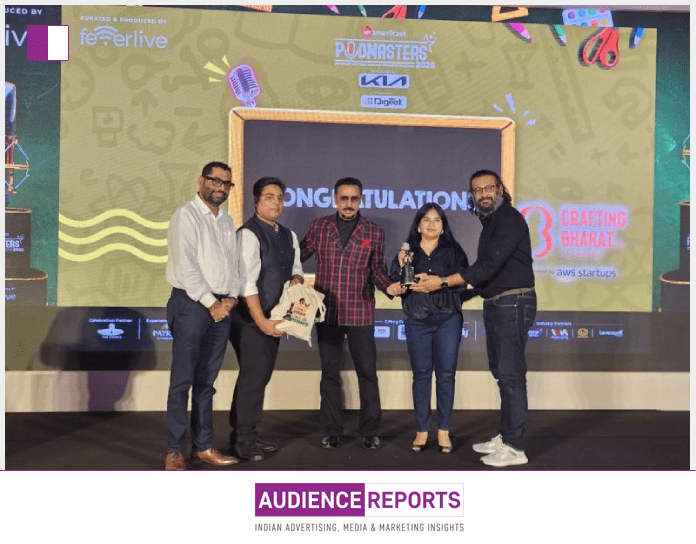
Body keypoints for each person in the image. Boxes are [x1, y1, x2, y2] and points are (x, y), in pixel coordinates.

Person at [413, 169, 536, 467]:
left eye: (488, 188)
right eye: (477, 190)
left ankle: (515, 447)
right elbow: (487, 275)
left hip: (512, 303)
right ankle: (506, 436)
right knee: (502, 372)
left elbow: (486, 267)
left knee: (511, 375)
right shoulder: (492, 222)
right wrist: (453, 296)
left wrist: (443, 283)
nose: (483, 194)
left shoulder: (508, 219)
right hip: (498, 303)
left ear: (500, 190)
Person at [300, 177, 392, 450]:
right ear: (335, 199)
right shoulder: (319, 227)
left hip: (360, 311)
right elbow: (298, 256)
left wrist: (390, 287)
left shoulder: (374, 231)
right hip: (327, 311)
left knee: (368, 373)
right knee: (329, 374)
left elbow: (378, 270)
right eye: (344, 198)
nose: (349, 203)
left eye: (354, 198)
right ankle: (331, 431)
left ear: (360, 199)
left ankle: (370, 431)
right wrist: (288, 274)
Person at [164, 161, 241, 470]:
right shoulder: (186, 215)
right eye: (215, 180)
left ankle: (203, 447)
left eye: (226, 183)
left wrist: (231, 298)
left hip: (221, 309)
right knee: (182, 382)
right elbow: (187, 266)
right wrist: (212, 303)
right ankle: (174, 451)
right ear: (201, 181)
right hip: (192, 306)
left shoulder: (227, 221)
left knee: (206, 383)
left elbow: (233, 266)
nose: (220, 187)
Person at [229, 177, 304, 461]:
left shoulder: (288, 235)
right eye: (269, 197)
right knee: (253, 377)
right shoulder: (248, 234)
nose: (276, 202)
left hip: (274, 318)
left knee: (259, 376)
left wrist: (296, 279)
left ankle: (247, 433)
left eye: (280, 197)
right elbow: (246, 284)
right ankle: (243, 440)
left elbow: (296, 268)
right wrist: (261, 322)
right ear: (255, 201)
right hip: (250, 320)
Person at [386, 203, 470, 454]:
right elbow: (394, 281)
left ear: (443, 227)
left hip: (448, 319)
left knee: (446, 375)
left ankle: (443, 429)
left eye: (437, 220)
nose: (432, 224)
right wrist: (401, 272)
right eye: (427, 219)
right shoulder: (406, 251)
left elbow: (464, 282)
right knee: (421, 375)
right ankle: (422, 429)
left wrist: (440, 283)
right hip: (417, 319)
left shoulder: (454, 251)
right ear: (418, 224)